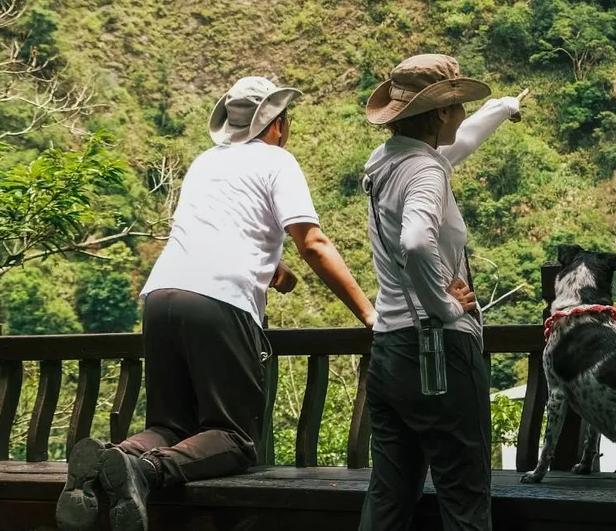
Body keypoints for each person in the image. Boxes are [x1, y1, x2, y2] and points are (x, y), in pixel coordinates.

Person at [56, 76, 376, 531]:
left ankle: (110, 459)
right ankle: (144, 471)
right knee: (236, 438)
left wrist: (276, 273)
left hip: (163, 295)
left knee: (170, 424)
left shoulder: (206, 162)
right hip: (219, 302)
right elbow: (314, 244)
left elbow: (220, 236)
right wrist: (369, 312)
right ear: (277, 124)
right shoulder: (277, 162)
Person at [358, 54, 527, 531]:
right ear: (437, 114)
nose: (458, 113)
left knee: (388, 498)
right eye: (454, 105)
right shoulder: (426, 173)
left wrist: (501, 108)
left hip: (389, 350)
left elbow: (460, 142)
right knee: (464, 496)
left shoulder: (389, 161)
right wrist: (446, 306)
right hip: (438, 352)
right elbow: (415, 240)